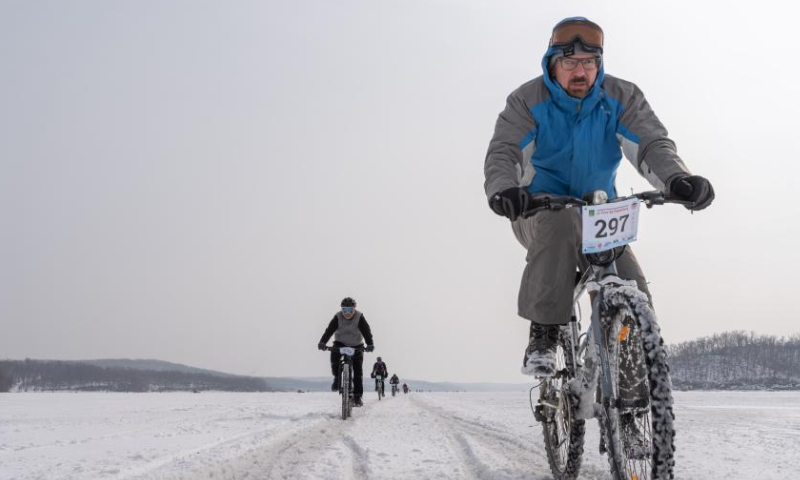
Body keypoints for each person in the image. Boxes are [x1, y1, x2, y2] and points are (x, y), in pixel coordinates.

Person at [484, 17, 714, 378]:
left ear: (599, 64)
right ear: (552, 63)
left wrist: (677, 178)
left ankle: (632, 374)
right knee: (558, 225)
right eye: (570, 62)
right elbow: (505, 152)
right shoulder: (528, 101)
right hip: (537, 207)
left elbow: (651, 143)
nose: (580, 71)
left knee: (632, 287)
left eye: (588, 63)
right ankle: (545, 334)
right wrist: (504, 189)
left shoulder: (620, 97)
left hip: (600, 211)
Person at [317, 297, 375, 407]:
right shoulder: (338, 317)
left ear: (354, 309)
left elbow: (367, 332)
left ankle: (357, 397)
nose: (347, 313)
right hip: (340, 343)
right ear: (342, 309)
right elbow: (329, 330)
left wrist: (370, 344)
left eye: (350, 310)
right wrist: (322, 342)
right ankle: (337, 379)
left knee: (358, 372)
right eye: (344, 310)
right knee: (334, 355)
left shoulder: (359, 317)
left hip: (357, 345)